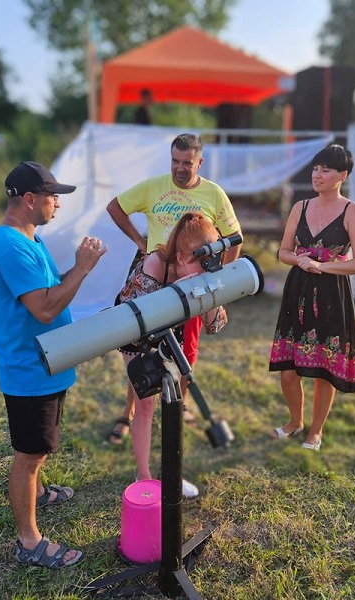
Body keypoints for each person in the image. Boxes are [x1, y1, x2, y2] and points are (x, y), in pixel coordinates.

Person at [0, 161, 107, 569]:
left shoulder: (29, 239)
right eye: (53, 196)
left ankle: (38, 493)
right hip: (29, 371)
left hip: (47, 364)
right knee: (29, 456)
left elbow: (50, 289)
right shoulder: (10, 246)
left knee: (41, 446)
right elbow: (45, 308)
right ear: (30, 199)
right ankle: (29, 541)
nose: (58, 204)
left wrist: (79, 268)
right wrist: (83, 268)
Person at [105, 133, 242, 461]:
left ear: (199, 163)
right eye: (174, 161)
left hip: (192, 286)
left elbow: (234, 237)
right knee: (140, 348)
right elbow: (115, 207)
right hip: (156, 278)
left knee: (184, 353)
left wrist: (218, 282)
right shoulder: (154, 187)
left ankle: (178, 407)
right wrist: (140, 241)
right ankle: (131, 412)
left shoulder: (214, 194)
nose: (180, 168)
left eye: (187, 163)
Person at [269, 144, 355, 451]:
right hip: (297, 291)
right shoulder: (299, 207)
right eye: (315, 169)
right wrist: (300, 260)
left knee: (324, 370)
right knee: (288, 370)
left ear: (342, 176)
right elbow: (283, 252)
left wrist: (323, 266)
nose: (317, 175)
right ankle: (295, 421)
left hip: (332, 293)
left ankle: (315, 431)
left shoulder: (353, 211)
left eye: (325, 170)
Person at [117, 212, 228, 495]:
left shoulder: (202, 271)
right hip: (135, 328)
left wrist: (211, 296)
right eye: (198, 264)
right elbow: (136, 324)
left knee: (174, 399)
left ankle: (172, 473)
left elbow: (216, 326)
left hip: (173, 325)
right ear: (179, 257)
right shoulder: (155, 265)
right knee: (145, 404)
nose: (202, 271)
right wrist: (173, 294)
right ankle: (143, 477)